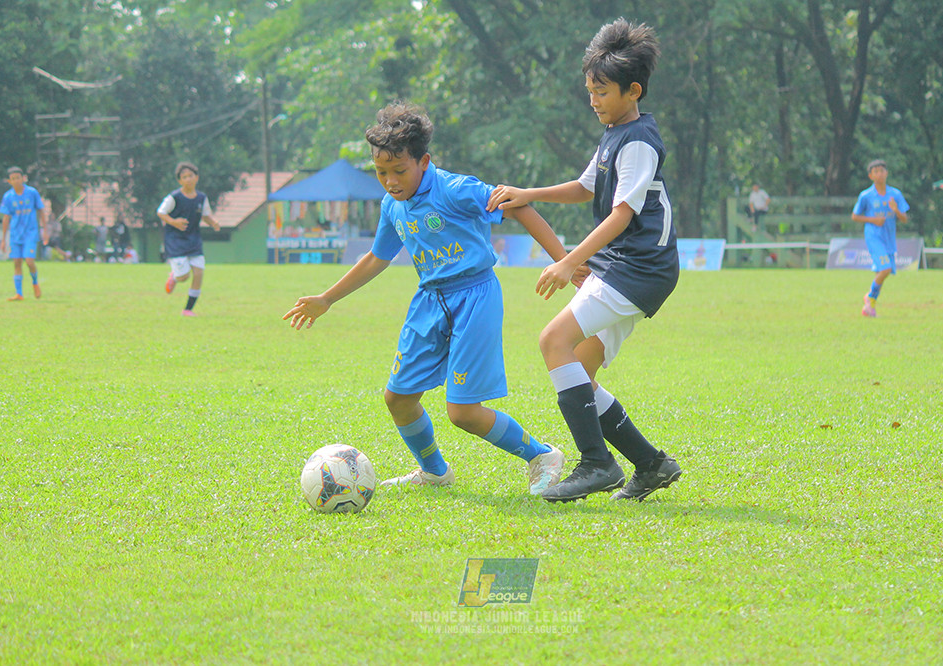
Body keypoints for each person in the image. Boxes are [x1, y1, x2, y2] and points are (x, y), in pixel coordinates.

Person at [283, 102, 572, 496]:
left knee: (464, 413)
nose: (390, 181)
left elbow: (518, 206)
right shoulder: (392, 205)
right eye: (381, 172)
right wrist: (327, 299)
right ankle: (435, 471)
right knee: (398, 398)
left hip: (474, 296)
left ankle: (542, 455)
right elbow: (376, 258)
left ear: (424, 161)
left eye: (399, 171)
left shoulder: (455, 189)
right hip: (429, 301)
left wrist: (566, 261)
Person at [487, 18, 682, 503]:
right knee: (580, 372)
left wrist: (567, 262)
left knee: (554, 340)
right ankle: (652, 464)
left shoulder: (638, 140)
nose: (593, 99)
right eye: (589, 89)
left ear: (632, 90)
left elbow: (620, 214)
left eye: (601, 91)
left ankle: (597, 464)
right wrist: (527, 192)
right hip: (634, 267)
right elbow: (586, 188)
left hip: (638, 267)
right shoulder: (615, 132)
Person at [156, 162, 220, 316]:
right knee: (183, 276)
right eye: (184, 177)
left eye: (191, 176)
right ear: (180, 181)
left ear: (196, 177)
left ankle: (187, 309)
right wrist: (173, 222)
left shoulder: (201, 197)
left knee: (199, 273)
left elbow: (205, 215)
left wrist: (213, 223)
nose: (188, 179)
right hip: (175, 240)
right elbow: (161, 212)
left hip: (193, 239)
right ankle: (174, 277)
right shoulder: (174, 197)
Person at [852, 159, 909, 318]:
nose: (879, 174)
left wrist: (896, 211)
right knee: (886, 268)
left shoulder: (895, 194)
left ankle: (870, 307)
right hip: (873, 237)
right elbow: (855, 216)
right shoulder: (866, 195)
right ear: (870, 175)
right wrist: (873, 220)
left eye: (882, 170)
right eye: (875, 171)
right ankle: (869, 296)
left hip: (888, 238)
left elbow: (904, 218)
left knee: (881, 273)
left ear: (887, 173)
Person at [0, 166, 47, 300]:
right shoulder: (8, 197)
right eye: (13, 179)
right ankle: (19, 293)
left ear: (23, 178)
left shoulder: (32, 193)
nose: (16, 181)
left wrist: (45, 230)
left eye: (18, 178)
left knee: (29, 261)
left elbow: (41, 211)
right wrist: (4, 239)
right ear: (9, 181)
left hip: (30, 233)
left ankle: (35, 282)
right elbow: (6, 217)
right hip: (15, 234)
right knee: (17, 263)